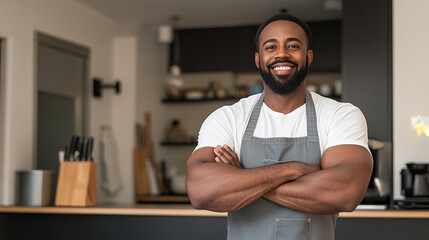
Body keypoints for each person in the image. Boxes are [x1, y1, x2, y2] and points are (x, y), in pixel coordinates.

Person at [186, 13, 373, 240]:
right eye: (271, 47)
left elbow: (346, 193)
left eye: (293, 45)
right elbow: (199, 190)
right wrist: (293, 169)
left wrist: (242, 178)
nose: (282, 54)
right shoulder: (229, 118)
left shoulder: (340, 115)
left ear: (309, 56)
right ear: (258, 59)